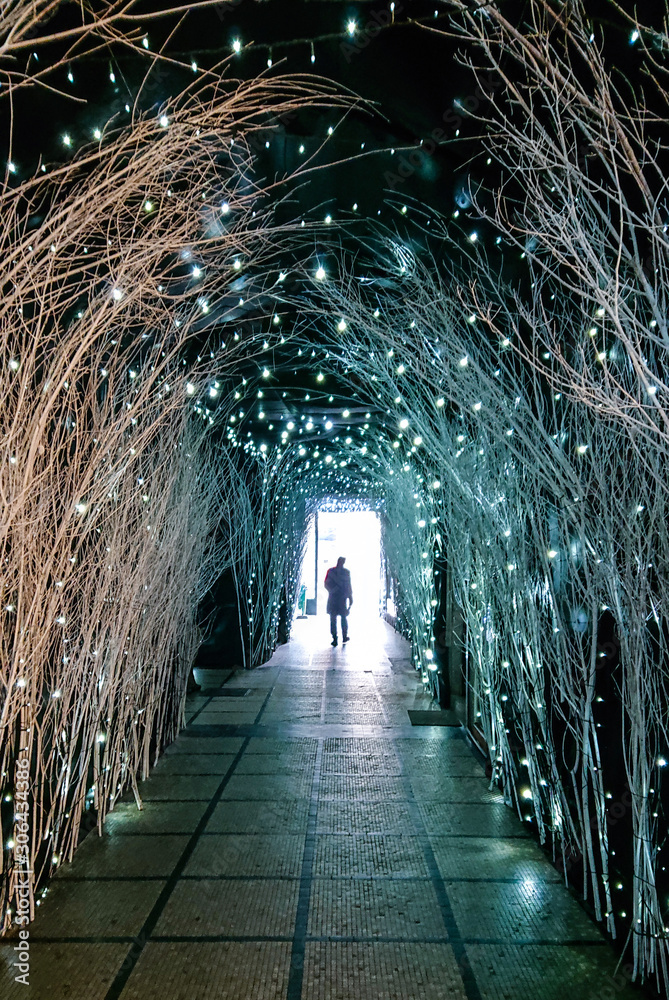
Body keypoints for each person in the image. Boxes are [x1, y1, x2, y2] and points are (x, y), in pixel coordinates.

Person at [324, 556, 353, 647]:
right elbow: (348, 586)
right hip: (341, 598)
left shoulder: (331, 572)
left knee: (334, 618)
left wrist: (332, 590)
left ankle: (335, 638)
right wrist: (350, 597)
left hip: (334, 597)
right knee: (342, 618)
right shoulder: (345, 573)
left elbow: (326, 583)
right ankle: (342, 636)